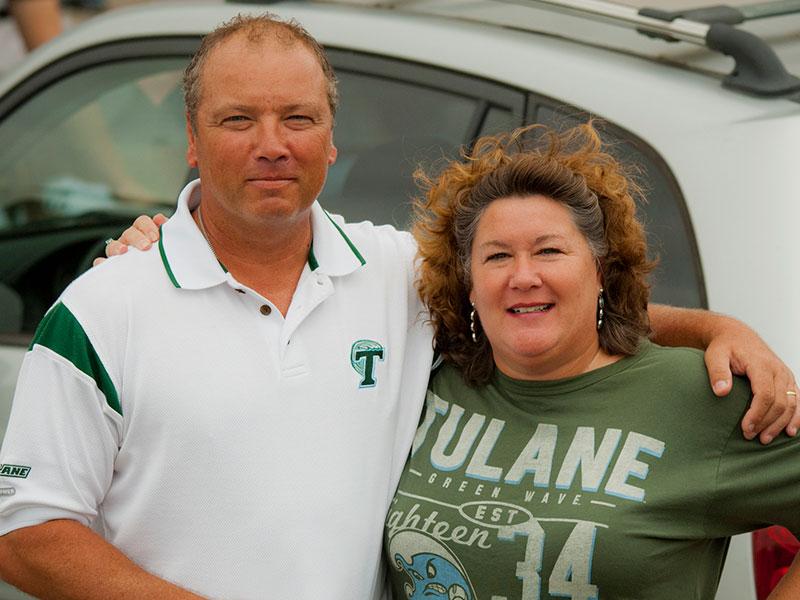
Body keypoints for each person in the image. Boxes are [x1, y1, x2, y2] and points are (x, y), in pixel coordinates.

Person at [0, 13, 795, 600]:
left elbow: (539, 307)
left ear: (332, 136)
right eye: (238, 119)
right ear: (192, 137)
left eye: (298, 118)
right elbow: (28, 532)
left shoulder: (395, 273)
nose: (271, 143)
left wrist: (720, 329)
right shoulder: (106, 307)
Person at [384, 123, 800, 598]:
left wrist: (723, 329)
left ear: (599, 269)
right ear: (470, 284)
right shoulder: (426, 379)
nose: (523, 276)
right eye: (497, 256)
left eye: (550, 251)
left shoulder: (700, 395)